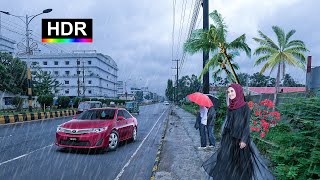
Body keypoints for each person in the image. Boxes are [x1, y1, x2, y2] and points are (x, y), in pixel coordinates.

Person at [202, 84, 275, 180]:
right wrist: (224, 139)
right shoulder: (230, 108)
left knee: (240, 166)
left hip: (240, 141)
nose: (230, 94)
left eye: (232, 91)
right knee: (225, 163)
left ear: (238, 92)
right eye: (228, 92)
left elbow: (246, 125)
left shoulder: (245, 107)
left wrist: (244, 139)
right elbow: (228, 123)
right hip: (228, 140)